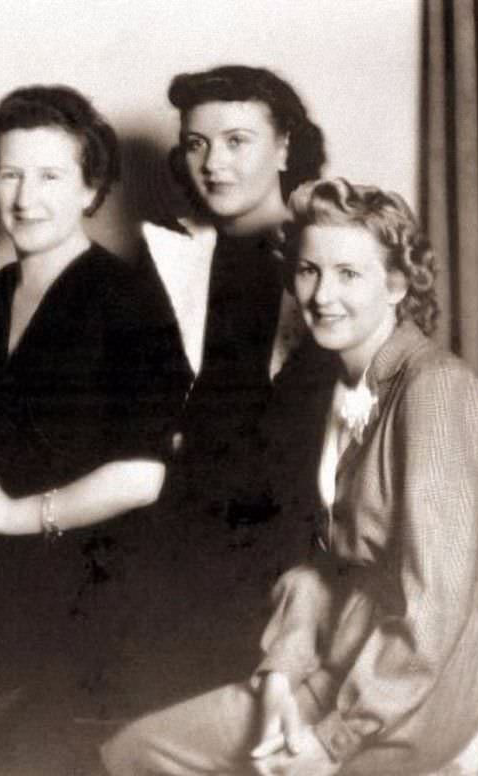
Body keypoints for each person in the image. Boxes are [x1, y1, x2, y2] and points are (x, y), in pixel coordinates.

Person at [102, 178, 478, 776]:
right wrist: (283, 675)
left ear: (397, 284)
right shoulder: (349, 385)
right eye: (310, 272)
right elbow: (321, 568)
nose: (321, 295)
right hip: (342, 659)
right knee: (136, 749)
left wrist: (333, 741)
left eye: (349, 274)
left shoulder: (434, 390)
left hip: (418, 692)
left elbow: (434, 607)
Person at [0, 85, 176, 720]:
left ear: (90, 190)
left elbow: (143, 475)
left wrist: (10, 515)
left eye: (50, 175)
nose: (25, 196)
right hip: (3, 594)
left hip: (101, 599)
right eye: (11, 174)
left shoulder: (130, 301)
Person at [132, 64, 329, 694]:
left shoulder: (332, 255)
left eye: (237, 140)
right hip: (183, 554)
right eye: (196, 143)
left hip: (298, 553)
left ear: (285, 147)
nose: (212, 162)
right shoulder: (171, 258)